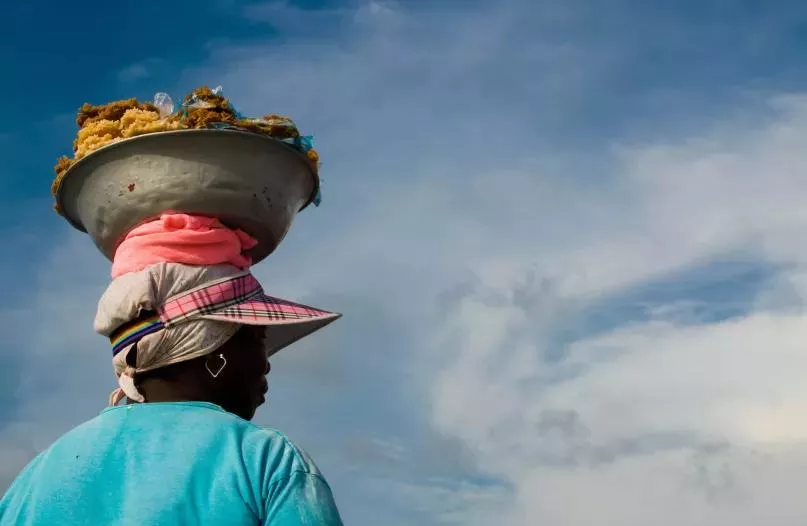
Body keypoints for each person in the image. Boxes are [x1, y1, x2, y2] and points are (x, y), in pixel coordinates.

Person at [0, 261, 344, 525]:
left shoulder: (33, 479)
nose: (266, 363)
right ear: (215, 352)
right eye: (257, 340)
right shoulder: (267, 459)